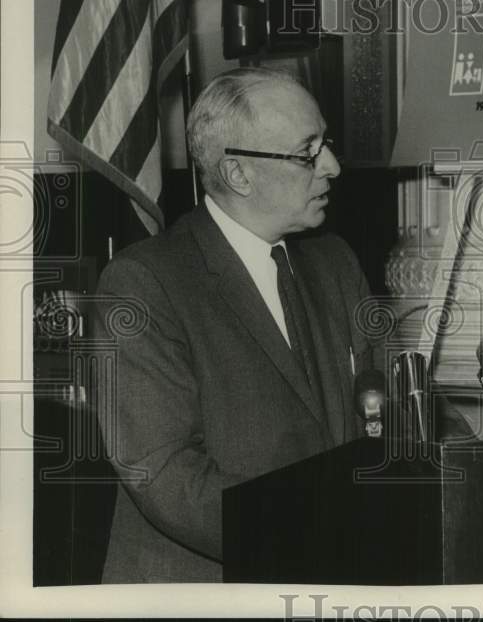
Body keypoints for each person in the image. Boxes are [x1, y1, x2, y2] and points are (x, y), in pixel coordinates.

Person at [94, 67, 378, 582]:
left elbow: (386, 408)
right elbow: (164, 473)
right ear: (239, 175)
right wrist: (322, 532)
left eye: (327, 143)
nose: (332, 166)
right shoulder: (144, 283)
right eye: (307, 152)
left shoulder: (335, 263)